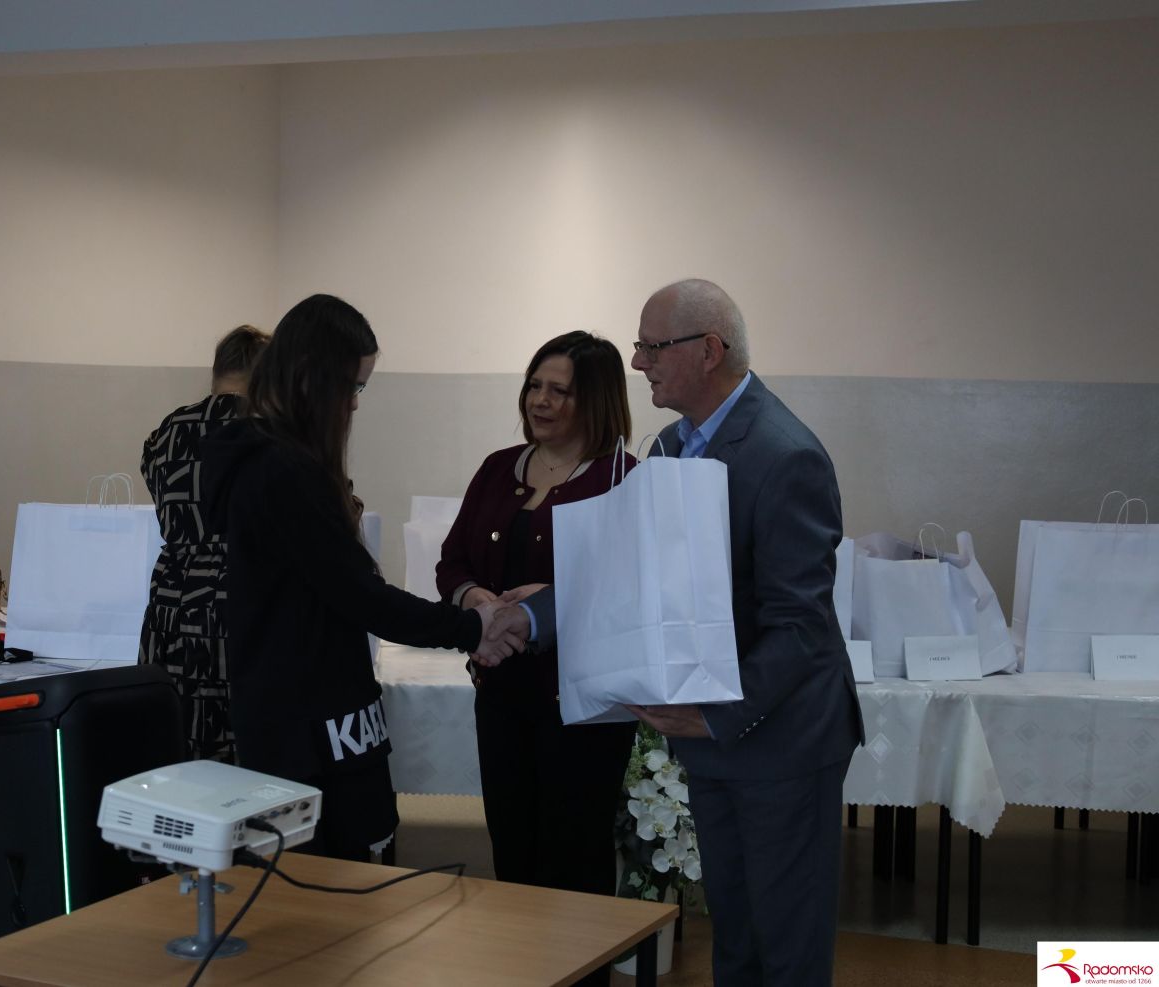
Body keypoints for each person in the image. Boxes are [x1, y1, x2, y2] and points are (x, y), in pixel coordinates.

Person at [491, 280, 864, 986]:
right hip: (712, 736)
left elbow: (800, 625)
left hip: (779, 740)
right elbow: (628, 578)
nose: (637, 362)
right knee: (736, 937)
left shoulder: (785, 455)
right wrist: (534, 614)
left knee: (786, 945)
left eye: (652, 346)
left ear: (709, 350)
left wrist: (715, 713)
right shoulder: (669, 446)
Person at [201, 293, 518, 861]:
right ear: (309, 376)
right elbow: (359, 595)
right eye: (350, 386)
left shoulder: (273, 459)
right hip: (310, 724)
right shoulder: (281, 469)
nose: (352, 404)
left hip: (305, 711)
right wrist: (472, 627)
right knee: (339, 877)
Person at [436, 331, 637, 985]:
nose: (540, 401)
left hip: (582, 707)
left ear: (596, 400)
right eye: (534, 385)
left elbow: (630, 587)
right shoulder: (499, 467)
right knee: (514, 852)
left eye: (559, 391)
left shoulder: (622, 478)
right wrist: (476, 599)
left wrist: (546, 602)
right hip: (502, 695)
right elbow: (452, 560)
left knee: (574, 862)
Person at [139, 324, 268, 763]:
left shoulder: (166, 431)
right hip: (240, 598)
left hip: (171, 598)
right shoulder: (269, 433)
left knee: (170, 732)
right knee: (240, 744)